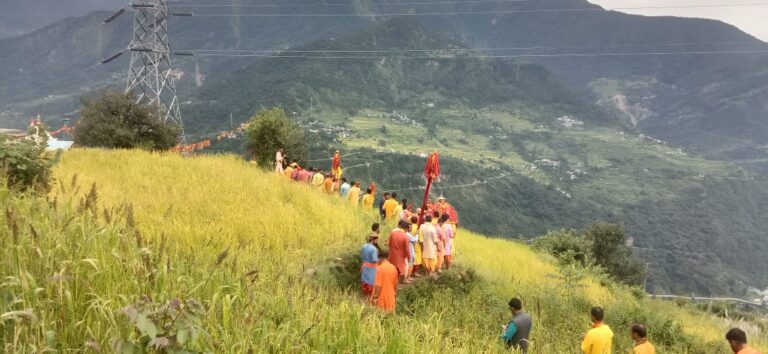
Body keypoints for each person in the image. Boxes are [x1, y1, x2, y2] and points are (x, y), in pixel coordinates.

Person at [360, 227, 380, 297]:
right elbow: (374, 260)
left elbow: (361, 256)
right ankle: (369, 297)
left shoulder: (364, 246)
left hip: (365, 266)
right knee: (371, 281)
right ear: (374, 240)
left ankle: (364, 295)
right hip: (372, 268)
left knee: (364, 280)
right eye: (377, 240)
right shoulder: (374, 249)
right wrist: (379, 260)